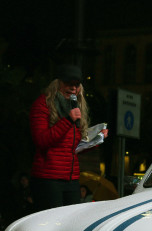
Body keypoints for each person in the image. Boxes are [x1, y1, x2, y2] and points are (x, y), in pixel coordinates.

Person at [29, 64, 108, 211]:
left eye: (76, 85)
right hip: (48, 178)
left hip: (70, 179)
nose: (73, 88)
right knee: (51, 225)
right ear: (57, 84)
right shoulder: (42, 105)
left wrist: (96, 139)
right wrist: (67, 121)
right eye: (68, 83)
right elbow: (41, 140)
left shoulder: (74, 107)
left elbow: (72, 148)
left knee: (70, 223)